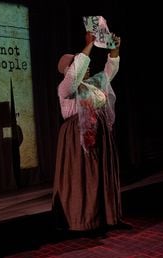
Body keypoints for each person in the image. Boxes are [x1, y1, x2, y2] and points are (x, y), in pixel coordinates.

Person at [52, 31, 127, 235]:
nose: (86, 66)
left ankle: (105, 215)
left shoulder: (94, 84)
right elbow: (76, 73)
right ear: (69, 70)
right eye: (79, 64)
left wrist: (114, 48)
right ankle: (83, 219)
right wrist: (90, 44)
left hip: (100, 132)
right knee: (83, 176)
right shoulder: (66, 88)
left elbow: (110, 69)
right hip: (77, 135)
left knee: (100, 173)